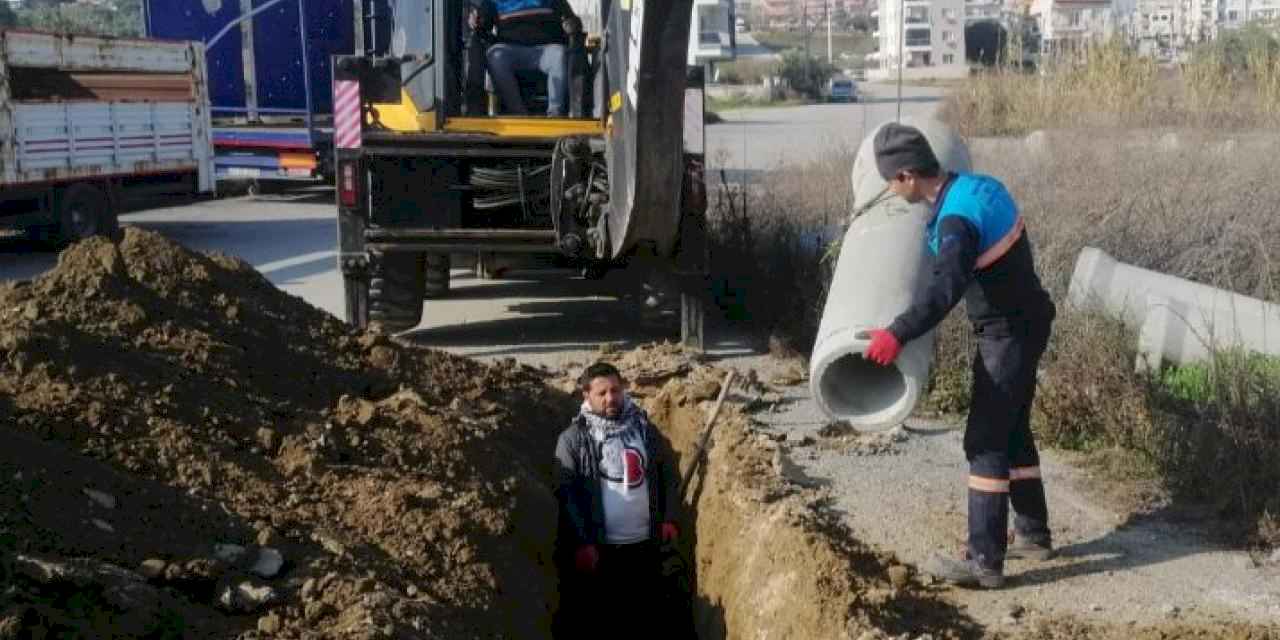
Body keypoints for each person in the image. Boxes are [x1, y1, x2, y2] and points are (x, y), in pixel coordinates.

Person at [862, 123, 1057, 589]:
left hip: (1007, 333)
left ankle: (984, 561)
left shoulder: (955, 221)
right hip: (1029, 319)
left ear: (907, 175)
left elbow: (944, 289)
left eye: (891, 182)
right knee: (1011, 426)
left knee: (985, 440)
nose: (892, 191)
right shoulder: (976, 187)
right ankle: (1033, 533)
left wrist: (896, 334)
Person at [553, 362, 680, 634]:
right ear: (586, 395)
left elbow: (667, 472)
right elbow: (567, 496)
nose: (611, 398)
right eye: (602, 393)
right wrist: (583, 542)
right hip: (603, 551)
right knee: (608, 620)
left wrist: (669, 518)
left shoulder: (644, 429)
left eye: (615, 390)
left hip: (646, 545)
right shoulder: (573, 440)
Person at [469, 0, 580, 116]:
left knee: (559, 54)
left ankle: (555, 114)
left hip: (547, 49)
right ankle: (518, 113)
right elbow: (482, 24)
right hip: (510, 50)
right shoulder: (494, 2)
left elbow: (571, 20)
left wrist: (572, 24)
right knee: (495, 56)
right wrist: (476, 22)